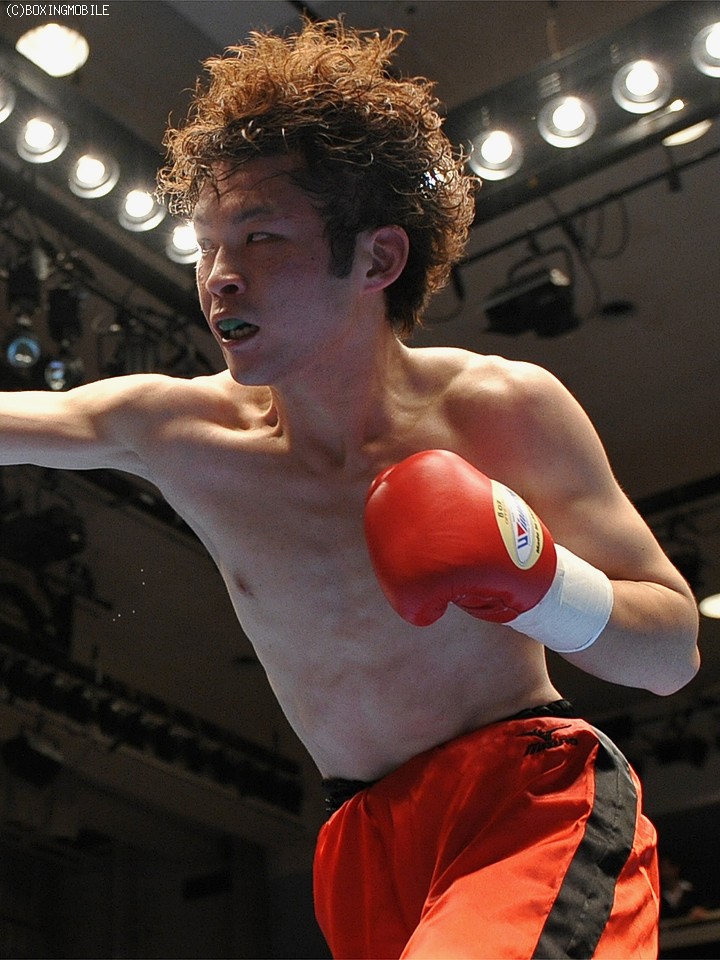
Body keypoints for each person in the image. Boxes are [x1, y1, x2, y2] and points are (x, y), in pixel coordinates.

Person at [1, 18, 700, 959]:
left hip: (524, 802)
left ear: (377, 259)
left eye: (260, 235)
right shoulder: (179, 432)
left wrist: (537, 583)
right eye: (205, 246)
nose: (220, 278)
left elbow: (671, 654)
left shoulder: (499, 410)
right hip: (358, 843)